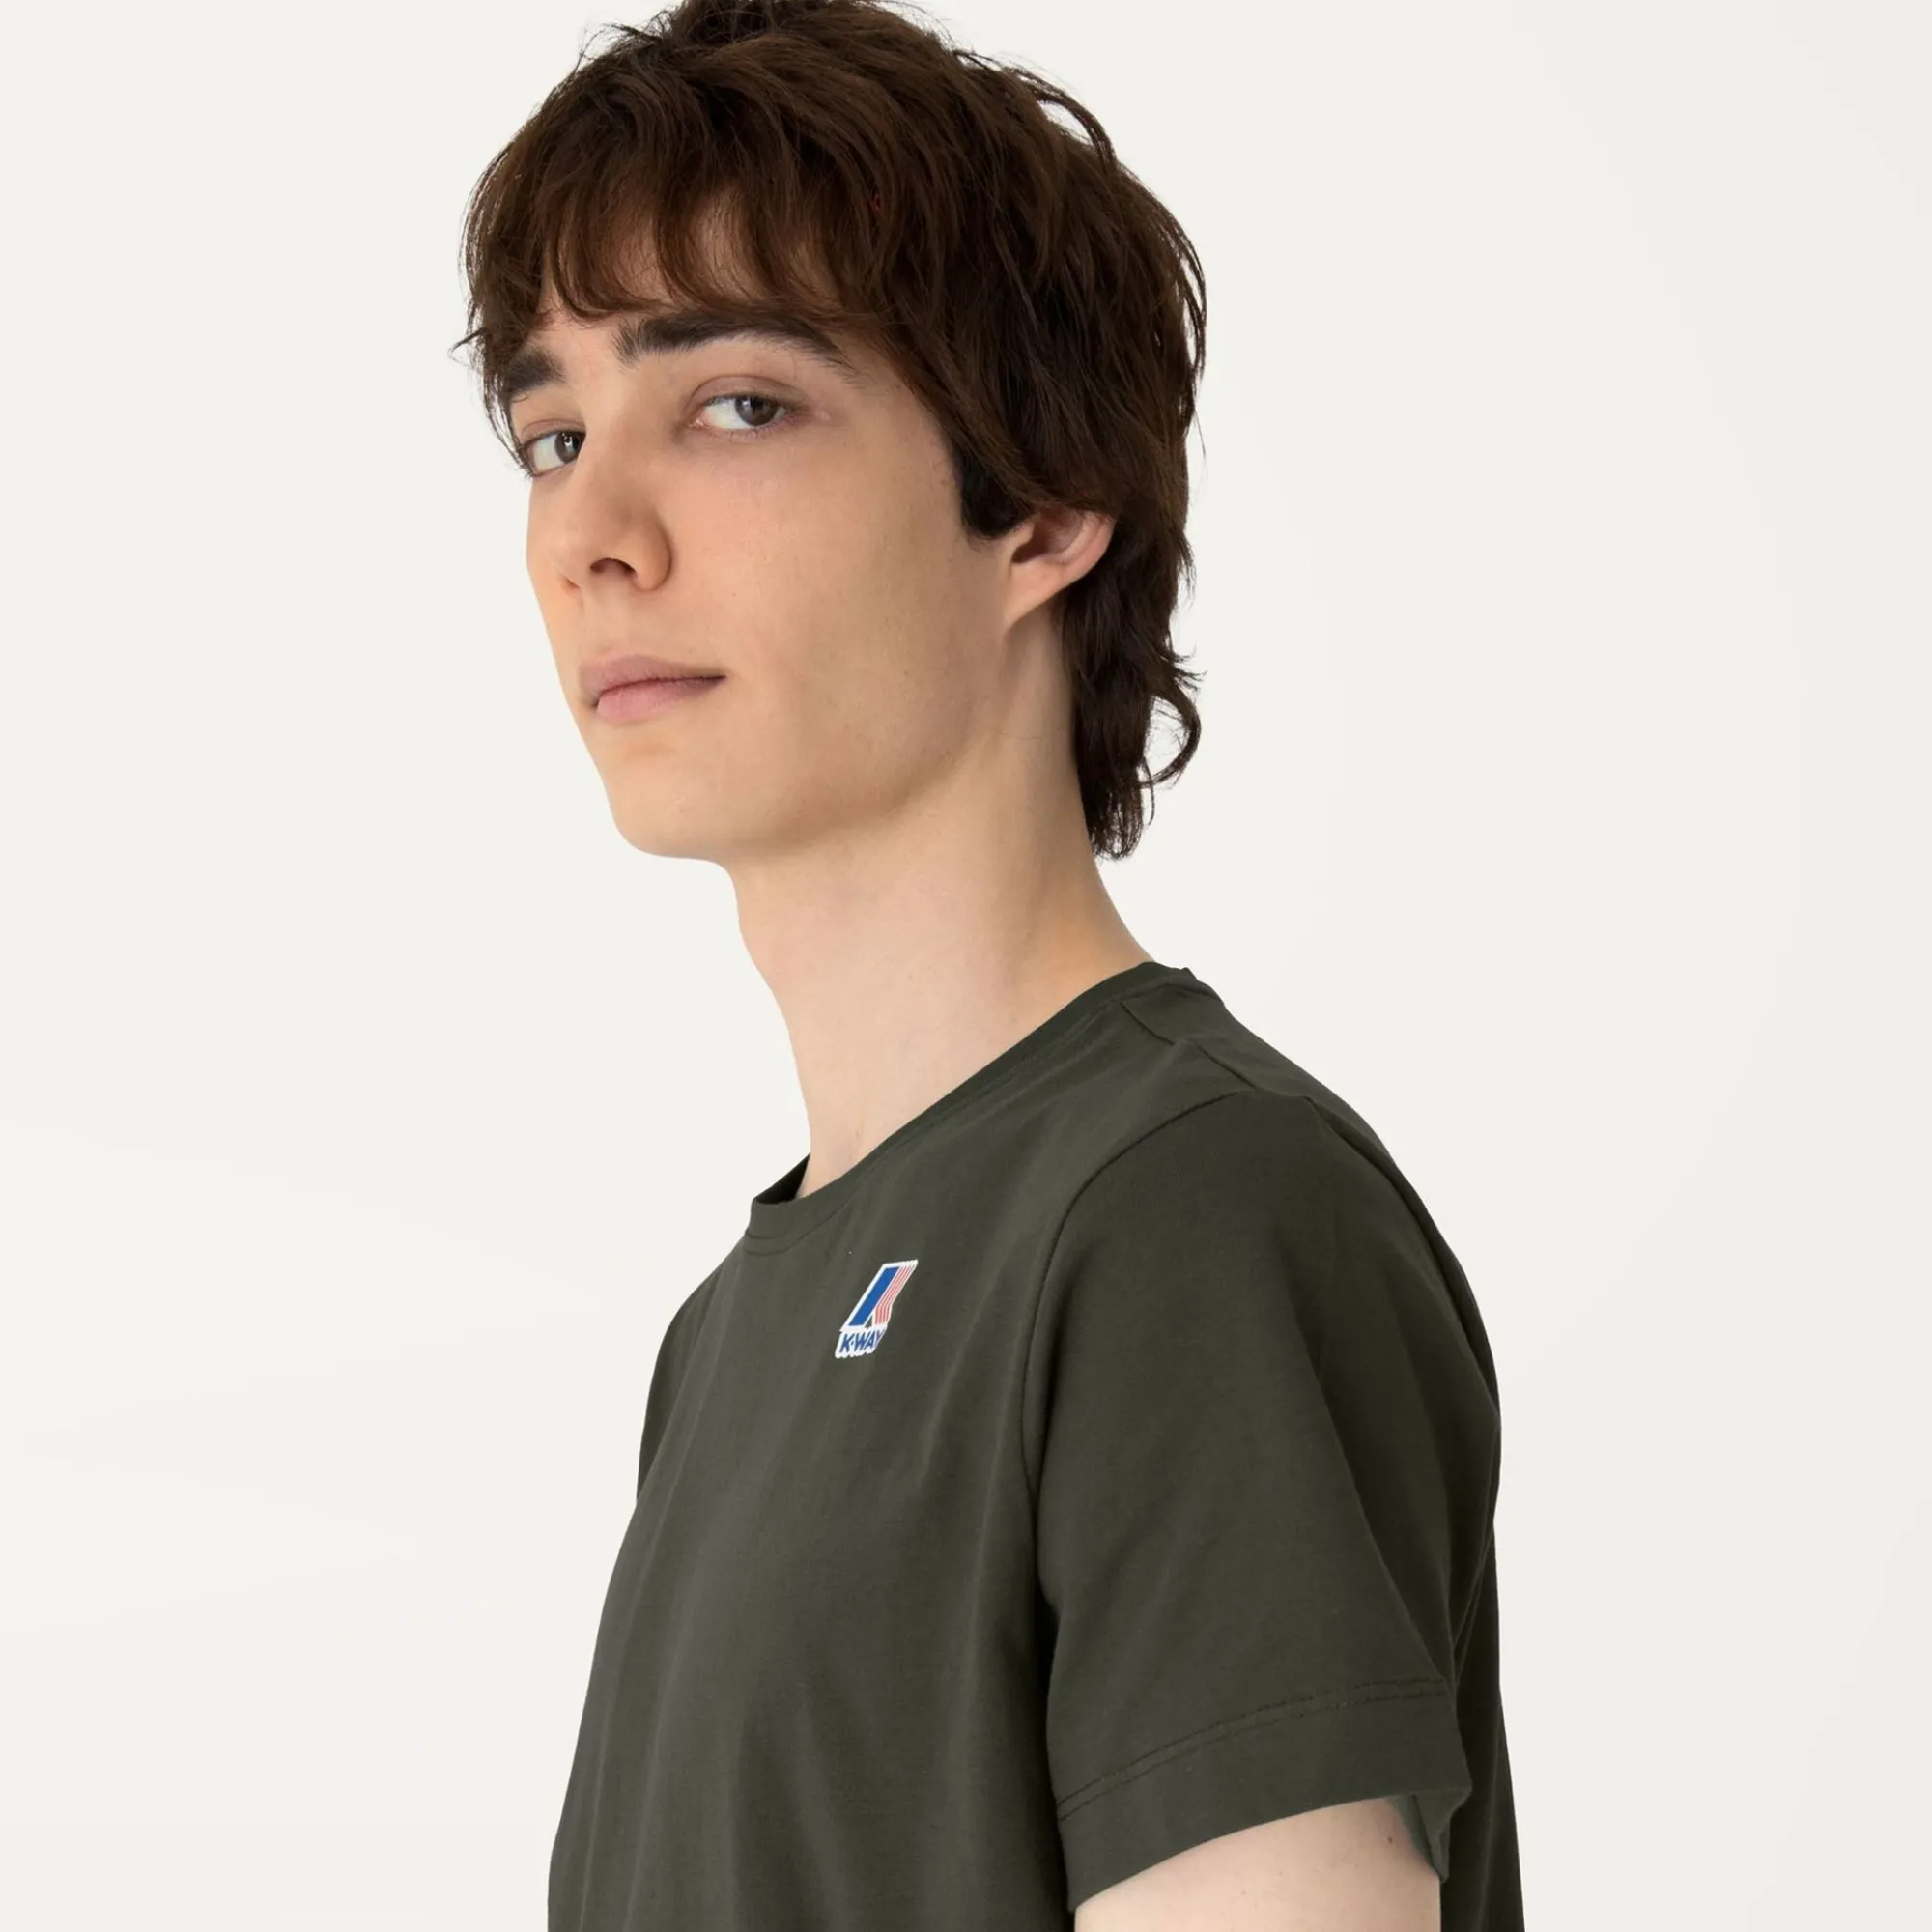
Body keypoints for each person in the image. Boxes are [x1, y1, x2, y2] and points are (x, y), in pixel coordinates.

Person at [451, 2, 1521, 1925]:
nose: (590, 533)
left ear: (1039, 502)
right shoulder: (730, 1336)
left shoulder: (1185, 1213)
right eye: (552, 435)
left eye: (738, 405)